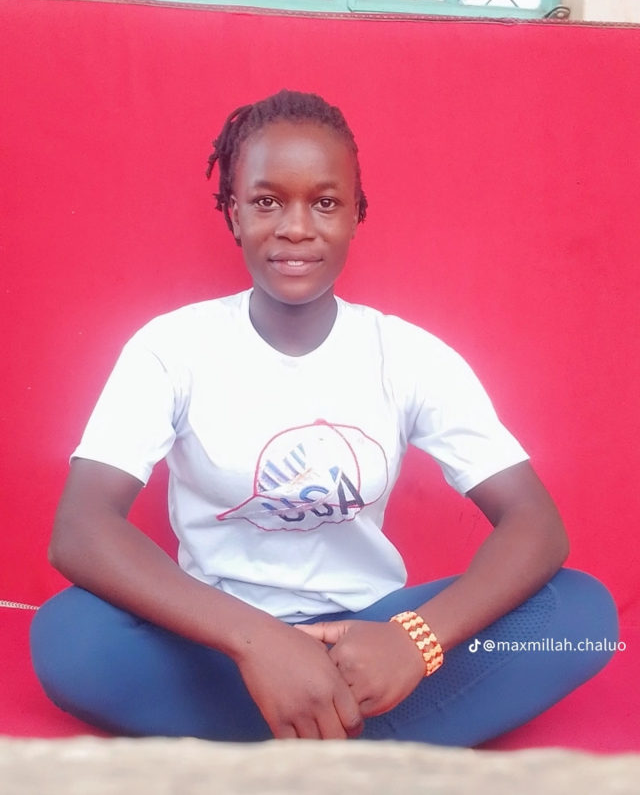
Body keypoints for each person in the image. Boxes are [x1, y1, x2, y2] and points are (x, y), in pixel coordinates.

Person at [31, 90, 618, 745]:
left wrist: (415, 640)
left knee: (581, 617)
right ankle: (342, 729)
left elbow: (536, 523)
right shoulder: (171, 348)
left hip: (372, 635)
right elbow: (80, 528)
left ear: (356, 214)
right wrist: (257, 641)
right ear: (232, 213)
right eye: (266, 202)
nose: (296, 227)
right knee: (69, 635)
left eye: (326, 202)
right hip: (219, 638)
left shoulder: (409, 355)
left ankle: (287, 727)